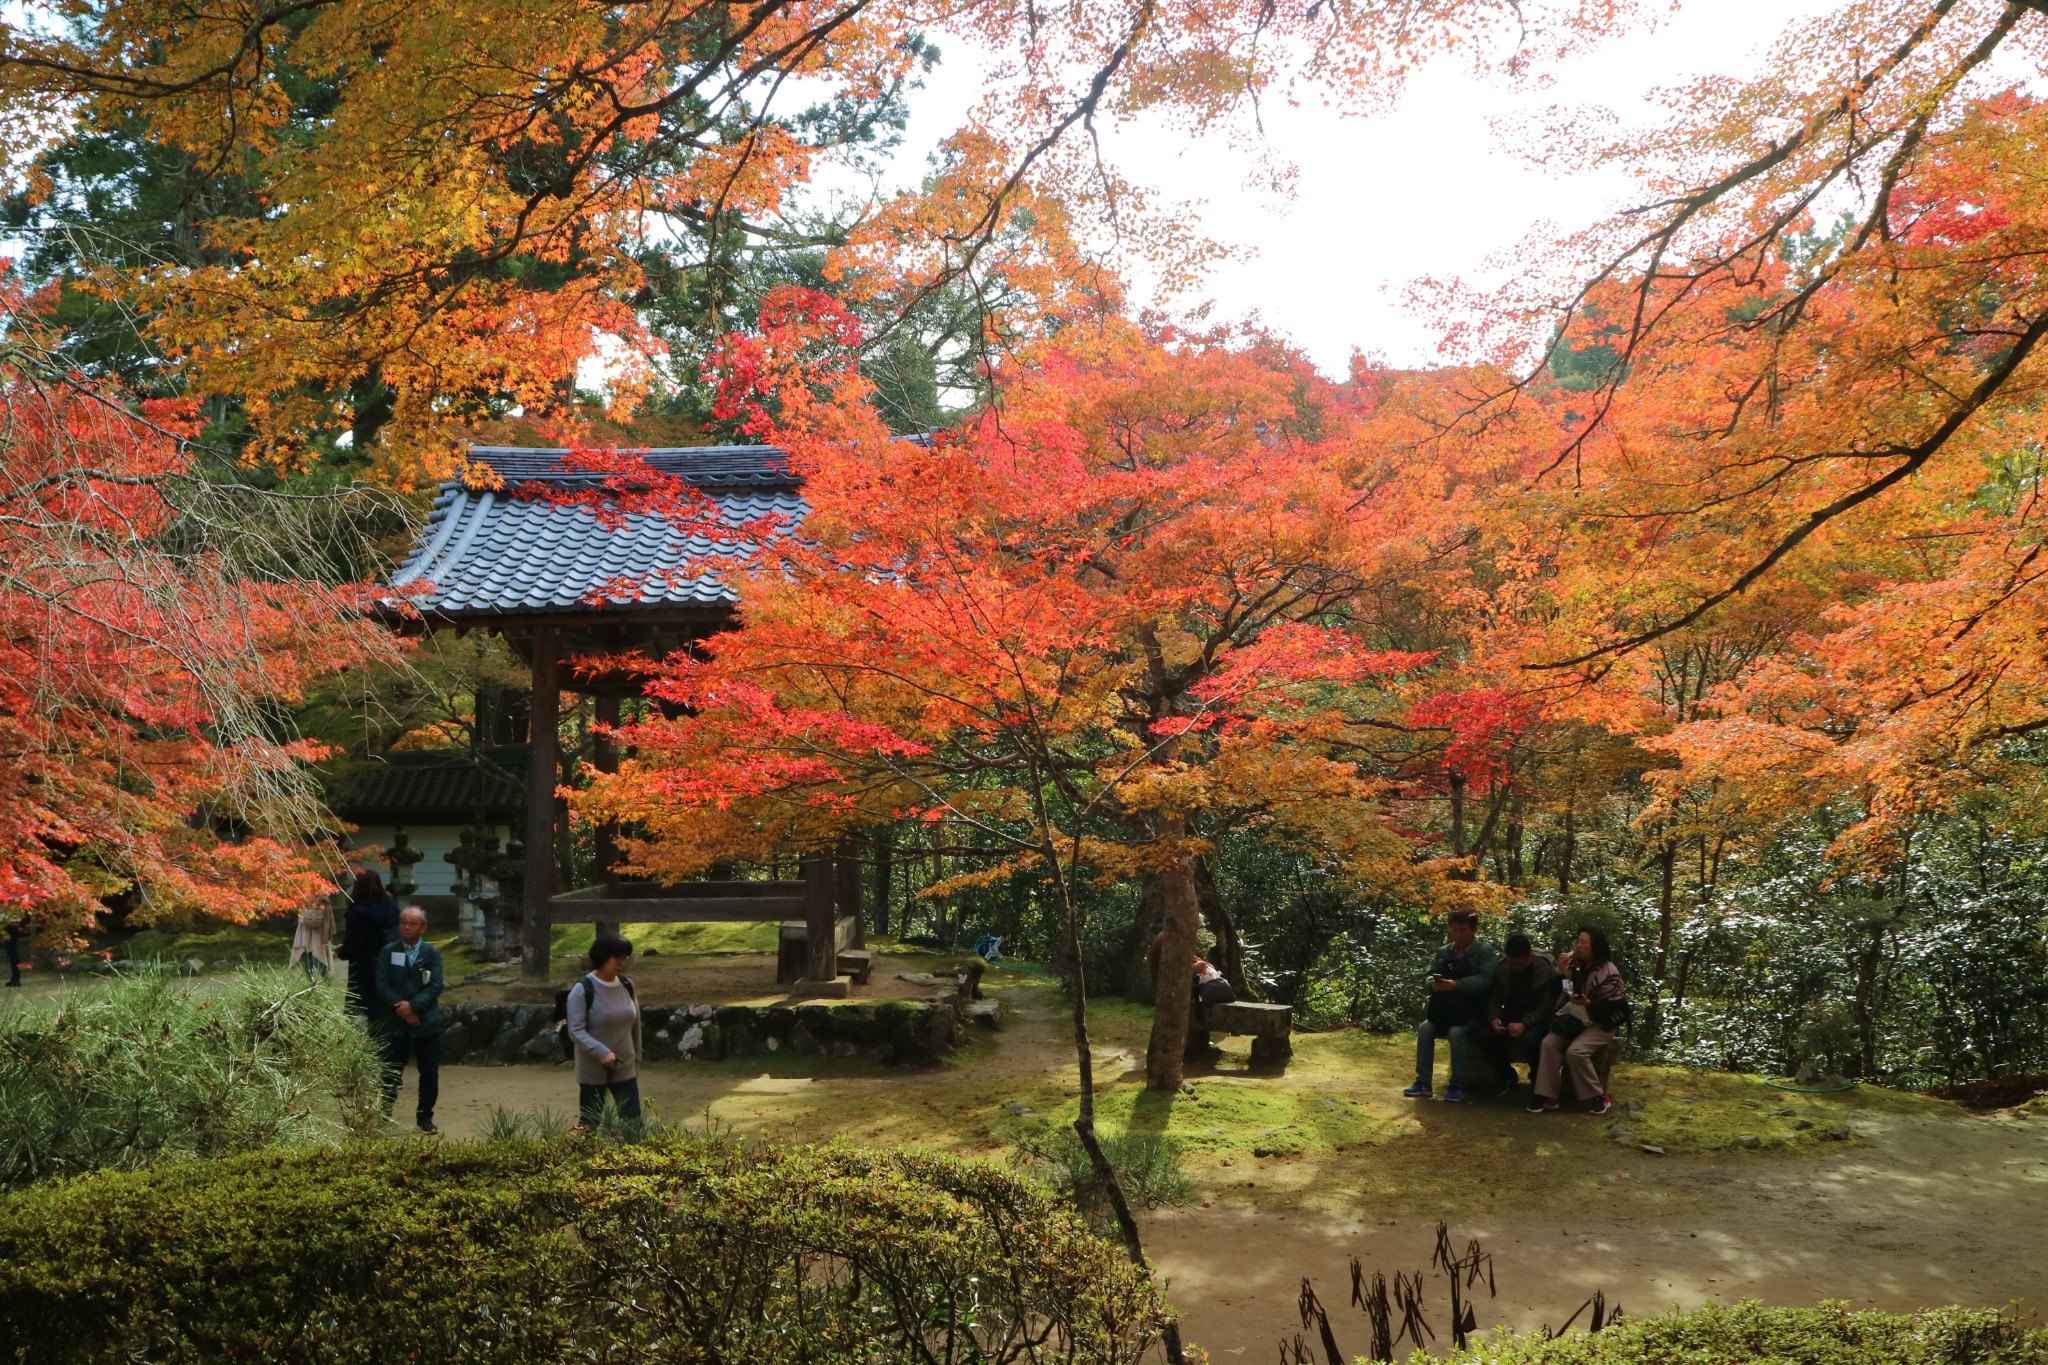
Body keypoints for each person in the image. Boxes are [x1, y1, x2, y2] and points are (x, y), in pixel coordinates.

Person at [1404, 910, 1501, 1102]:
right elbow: (1427, 974)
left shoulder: (1485, 953)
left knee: (1456, 1033)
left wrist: (1457, 985)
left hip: (1471, 1013)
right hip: (1444, 1011)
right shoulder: (1444, 952)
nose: (1458, 934)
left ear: (1474, 930)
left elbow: (1486, 980)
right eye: (1455, 930)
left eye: (1463, 930)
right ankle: (1423, 1082)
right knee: (1424, 1029)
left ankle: (1457, 1085)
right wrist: (1432, 984)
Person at [1530, 926, 1627, 1116]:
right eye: (1578, 942)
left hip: (1601, 1022)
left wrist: (1590, 1003)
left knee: (1576, 1052)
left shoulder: (1608, 971)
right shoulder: (1573, 966)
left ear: (1595, 946)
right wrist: (1560, 973)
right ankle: (1548, 1095)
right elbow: (1559, 992)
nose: (1579, 946)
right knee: (1548, 1044)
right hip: (1574, 1018)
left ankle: (1598, 1096)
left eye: (1584, 943)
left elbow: (1616, 1005)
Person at [373, 905, 446, 1134]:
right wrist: (402, 1008)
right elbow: (382, 983)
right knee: (391, 1070)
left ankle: (425, 1117)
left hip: (425, 1021)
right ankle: (384, 1115)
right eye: (403, 922)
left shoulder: (432, 954)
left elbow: (436, 985)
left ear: (423, 927)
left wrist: (414, 1006)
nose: (406, 927)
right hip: (395, 1021)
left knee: (429, 1073)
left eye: (412, 923)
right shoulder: (388, 951)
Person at [566, 932, 644, 1128]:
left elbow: (635, 1024)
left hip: (624, 1065)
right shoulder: (582, 989)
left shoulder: (626, 985)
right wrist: (601, 1051)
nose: (623, 962)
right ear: (603, 957)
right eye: (617, 957)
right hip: (593, 1068)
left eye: (626, 957)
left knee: (632, 1121)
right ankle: (584, 1157)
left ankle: (635, 1158)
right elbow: (575, 1030)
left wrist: (636, 1059)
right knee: (591, 1122)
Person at [1477, 932, 1560, 1098]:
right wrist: (1494, 1017)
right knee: (1485, 1036)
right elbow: (1495, 998)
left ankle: (1537, 1080)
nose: (1514, 967)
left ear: (1529, 958)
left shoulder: (1543, 969)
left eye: (1519, 964)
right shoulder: (1503, 968)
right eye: (1511, 963)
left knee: (1532, 1040)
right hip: (1512, 1012)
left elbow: (1547, 1005)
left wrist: (1526, 1023)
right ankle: (1506, 1075)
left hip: (1539, 1017)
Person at [336, 869, 401, 1015]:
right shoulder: (393, 909)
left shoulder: (356, 913)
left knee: (362, 1012)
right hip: (392, 964)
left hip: (365, 969)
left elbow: (353, 948)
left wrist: (341, 950)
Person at [290, 892, 336, 979]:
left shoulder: (323, 901)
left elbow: (319, 918)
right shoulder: (302, 896)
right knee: (307, 960)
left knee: (319, 960)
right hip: (305, 935)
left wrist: (304, 919)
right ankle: (311, 984)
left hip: (318, 936)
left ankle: (325, 984)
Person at [5, 918, 29, 988]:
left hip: (11, 923)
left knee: (12, 952)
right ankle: (15, 978)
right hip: (13, 922)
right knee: (12, 951)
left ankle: (16, 978)